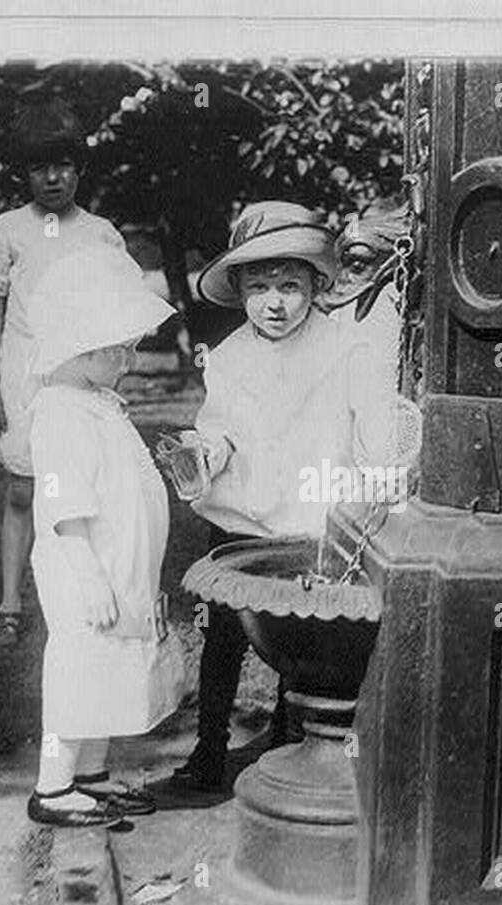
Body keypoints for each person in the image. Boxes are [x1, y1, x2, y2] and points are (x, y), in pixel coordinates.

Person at [170, 200, 398, 790]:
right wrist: (206, 453)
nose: (275, 302)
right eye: (261, 285)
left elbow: (368, 431)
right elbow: (219, 428)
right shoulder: (229, 357)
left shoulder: (343, 347)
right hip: (242, 515)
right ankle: (208, 750)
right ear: (241, 288)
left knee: (299, 633)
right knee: (224, 634)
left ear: (317, 283)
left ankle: (286, 740)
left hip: (306, 520)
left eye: (291, 285)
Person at [23, 244, 183, 827]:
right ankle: (54, 785)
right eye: (120, 347)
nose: (131, 355)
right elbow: (65, 505)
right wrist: (89, 577)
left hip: (119, 566)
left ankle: (89, 776)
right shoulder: (62, 414)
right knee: (78, 675)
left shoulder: (96, 404)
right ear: (82, 350)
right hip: (87, 569)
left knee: (109, 674)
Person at [0, 100, 127, 646]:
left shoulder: (102, 234)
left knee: (85, 492)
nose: (54, 177)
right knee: (23, 490)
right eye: (40, 167)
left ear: (79, 168)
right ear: (25, 173)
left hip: (81, 381)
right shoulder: (8, 231)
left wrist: (112, 384)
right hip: (24, 378)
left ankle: (89, 588)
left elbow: (119, 315)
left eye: (63, 164)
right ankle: (10, 603)